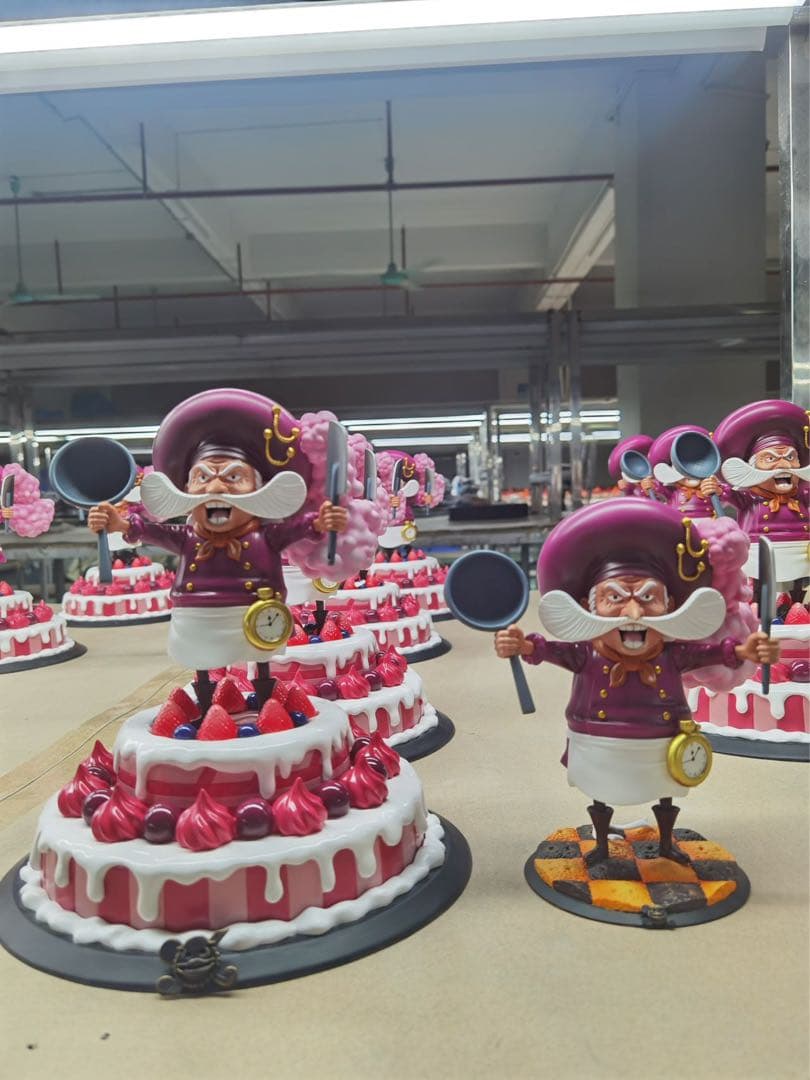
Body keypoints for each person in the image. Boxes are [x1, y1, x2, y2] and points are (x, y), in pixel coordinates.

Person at [494, 500, 778, 866]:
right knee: (600, 791)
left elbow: (711, 653)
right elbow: (550, 649)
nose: (633, 614)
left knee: (665, 790)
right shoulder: (586, 653)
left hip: (663, 741)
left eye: (649, 598)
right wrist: (523, 646)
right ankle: (601, 844)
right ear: (588, 606)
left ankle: (665, 842)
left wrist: (743, 650)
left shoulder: (673, 653)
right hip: (598, 741)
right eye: (614, 598)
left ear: (671, 604)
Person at [88, 389, 348, 711]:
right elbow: (154, 532)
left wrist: (320, 521)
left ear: (259, 488)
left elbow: (298, 528)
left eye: (233, 477)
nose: (215, 488)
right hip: (197, 617)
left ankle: (266, 700)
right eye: (203, 477)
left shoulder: (265, 536)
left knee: (260, 659)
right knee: (201, 662)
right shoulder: (188, 536)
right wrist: (121, 524)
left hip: (257, 612)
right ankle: (206, 704)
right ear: (186, 489)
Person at [714, 399, 810, 588]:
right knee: (760, 583)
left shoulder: (802, 494)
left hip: (800, 552)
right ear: (752, 467)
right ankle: (758, 600)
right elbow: (725, 494)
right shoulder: (749, 497)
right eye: (770, 459)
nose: (784, 465)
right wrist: (715, 489)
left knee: (799, 585)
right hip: (759, 551)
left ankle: (798, 602)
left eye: (791, 457)